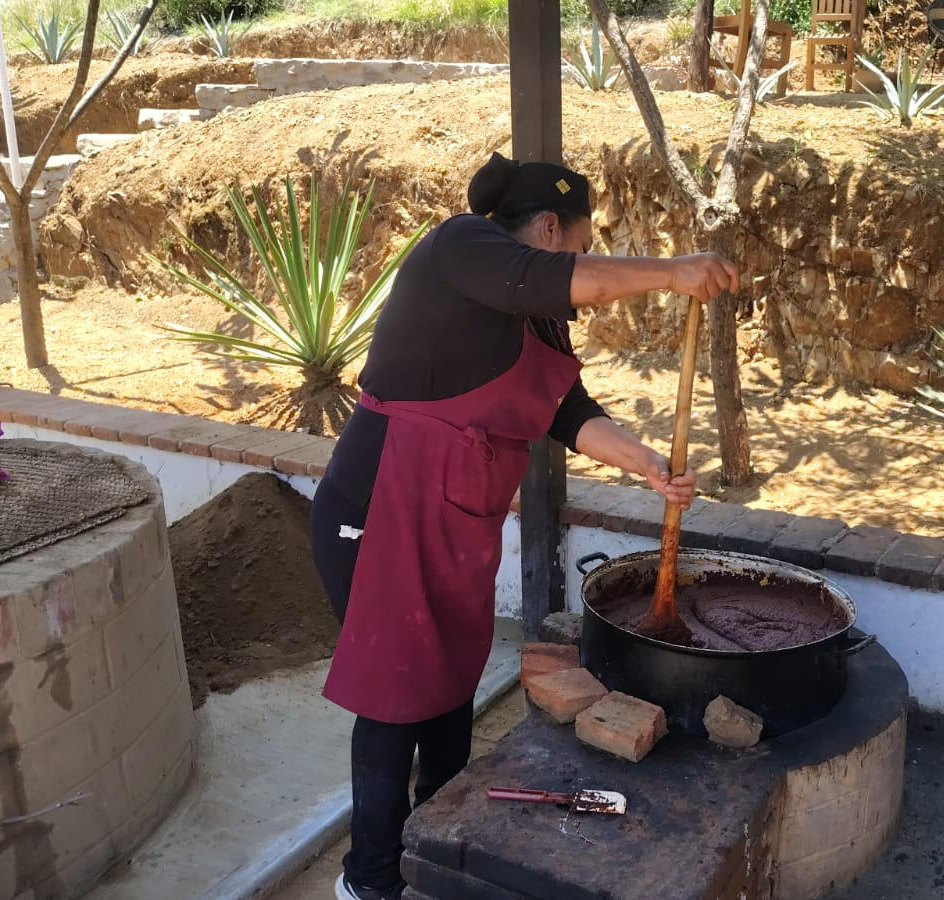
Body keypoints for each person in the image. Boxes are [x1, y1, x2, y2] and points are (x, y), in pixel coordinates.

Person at [310, 152, 740, 900]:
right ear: (547, 227)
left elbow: (566, 411)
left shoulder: (539, 313)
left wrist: (646, 465)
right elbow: (562, 279)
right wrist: (674, 270)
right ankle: (369, 882)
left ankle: (435, 844)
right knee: (396, 696)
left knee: (448, 690)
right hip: (380, 513)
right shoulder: (461, 248)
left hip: (449, 524)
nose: (583, 267)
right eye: (578, 244)